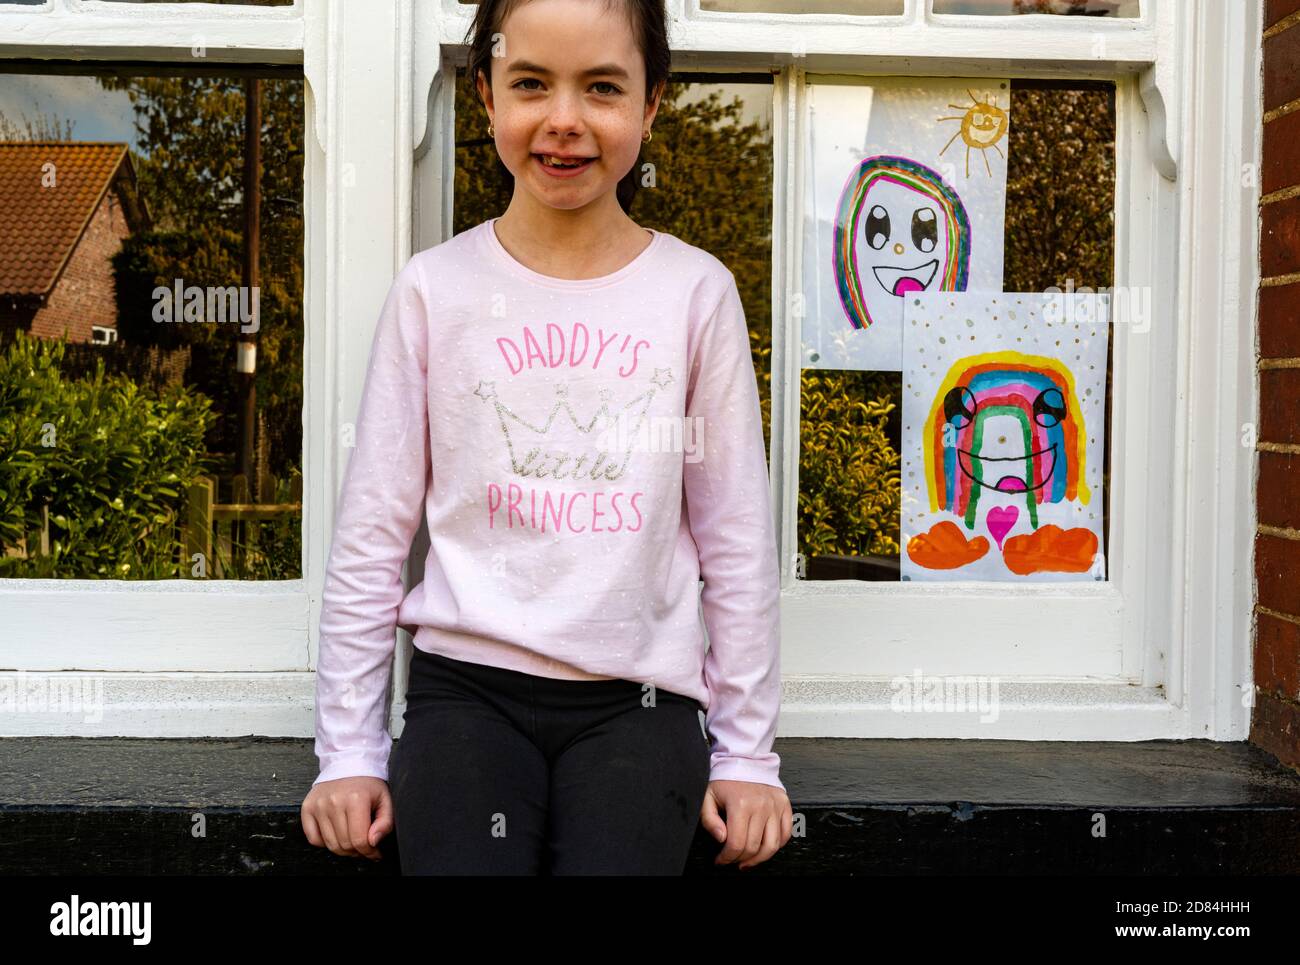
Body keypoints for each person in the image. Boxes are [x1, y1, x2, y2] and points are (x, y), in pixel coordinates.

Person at [300, 0, 791, 875]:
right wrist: (349, 751)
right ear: (486, 97)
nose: (564, 120)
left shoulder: (695, 294)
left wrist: (748, 756)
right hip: (464, 699)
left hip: (641, 705)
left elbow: (738, 541)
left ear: (650, 105)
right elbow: (372, 538)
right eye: (531, 84)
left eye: (602, 87)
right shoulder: (433, 293)